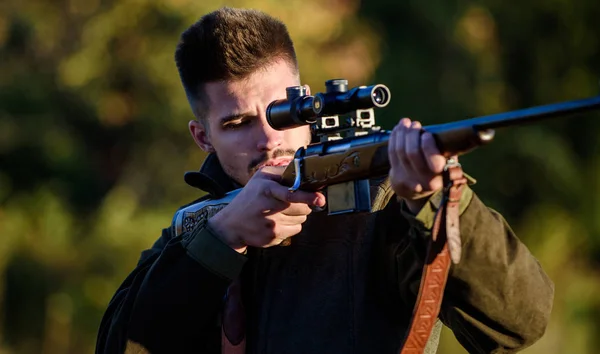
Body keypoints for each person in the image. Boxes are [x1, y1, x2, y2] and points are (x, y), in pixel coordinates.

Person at [96, 7, 554, 354]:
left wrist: (435, 201)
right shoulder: (207, 224)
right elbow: (123, 339)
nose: (269, 138)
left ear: (307, 101)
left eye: (281, 112)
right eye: (238, 124)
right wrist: (224, 238)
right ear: (202, 136)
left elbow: (520, 320)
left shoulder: (385, 202)